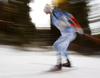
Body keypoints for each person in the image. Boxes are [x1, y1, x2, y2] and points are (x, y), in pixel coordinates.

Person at [44, 4, 84, 71]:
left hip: (69, 33)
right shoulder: (52, 19)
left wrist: (78, 26)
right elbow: (63, 25)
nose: (45, 11)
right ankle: (68, 63)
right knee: (63, 49)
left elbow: (69, 15)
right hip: (66, 34)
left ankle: (58, 65)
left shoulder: (56, 12)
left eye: (45, 9)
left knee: (56, 45)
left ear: (48, 9)